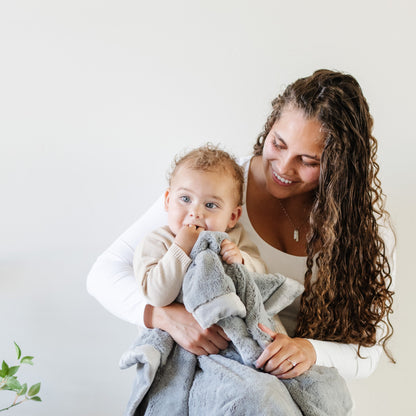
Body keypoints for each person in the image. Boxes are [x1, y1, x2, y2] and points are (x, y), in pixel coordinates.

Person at [87, 69, 395, 381]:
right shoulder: (215, 190)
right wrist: (166, 317)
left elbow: (366, 354)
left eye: (309, 161)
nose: (284, 167)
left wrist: (309, 350)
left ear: (339, 165)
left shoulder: (363, 231)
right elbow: (104, 272)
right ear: (270, 126)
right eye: (278, 143)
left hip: (289, 391)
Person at [134, 144, 274, 310]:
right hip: (179, 331)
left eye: (210, 205)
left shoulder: (233, 239)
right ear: (167, 201)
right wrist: (181, 248)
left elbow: (263, 278)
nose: (195, 212)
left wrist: (241, 260)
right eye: (185, 199)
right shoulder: (157, 241)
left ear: (232, 217)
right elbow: (157, 297)